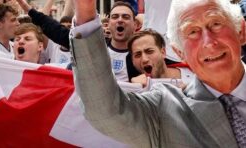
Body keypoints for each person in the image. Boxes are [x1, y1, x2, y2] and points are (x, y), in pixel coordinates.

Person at [71, 0, 246, 147]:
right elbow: (105, 112)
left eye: (216, 23)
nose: (208, 42)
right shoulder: (165, 110)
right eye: (192, 32)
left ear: (241, 32)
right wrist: (85, 11)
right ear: (179, 52)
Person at [128, 29, 193, 88]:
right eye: (138, 55)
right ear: (132, 61)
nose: (144, 59)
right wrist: (134, 89)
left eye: (149, 51)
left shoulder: (195, 73)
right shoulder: (137, 88)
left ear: (163, 52)